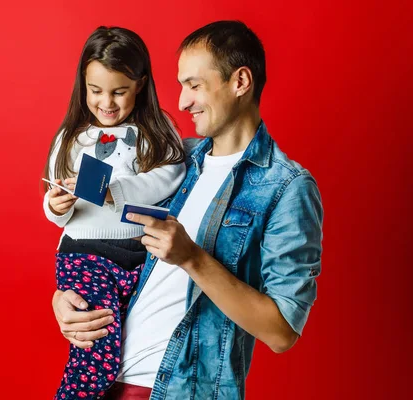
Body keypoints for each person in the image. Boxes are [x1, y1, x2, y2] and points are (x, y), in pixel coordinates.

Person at [52, 20, 324, 400]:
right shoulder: (177, 158)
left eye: (194, 85)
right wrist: (64, 296)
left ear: (240, 82)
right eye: (181, 85)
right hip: (102, 380)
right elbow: (105, 232)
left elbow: (281, 332)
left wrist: (193, 259)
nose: (181, 102)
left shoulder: (287, 188)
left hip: (178, 390)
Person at [42, 26, 186, 400]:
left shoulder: (157, 129)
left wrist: (116, 190)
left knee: (139, 340)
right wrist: (55, 206)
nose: (106, 102)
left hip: (140, 252)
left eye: (118, 91)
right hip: (83, 252)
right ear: (82, 85)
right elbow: (55, 194)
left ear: (139, 84)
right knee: (96, 341)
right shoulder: (72, 137)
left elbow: (171, 175)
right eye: (96, 91)